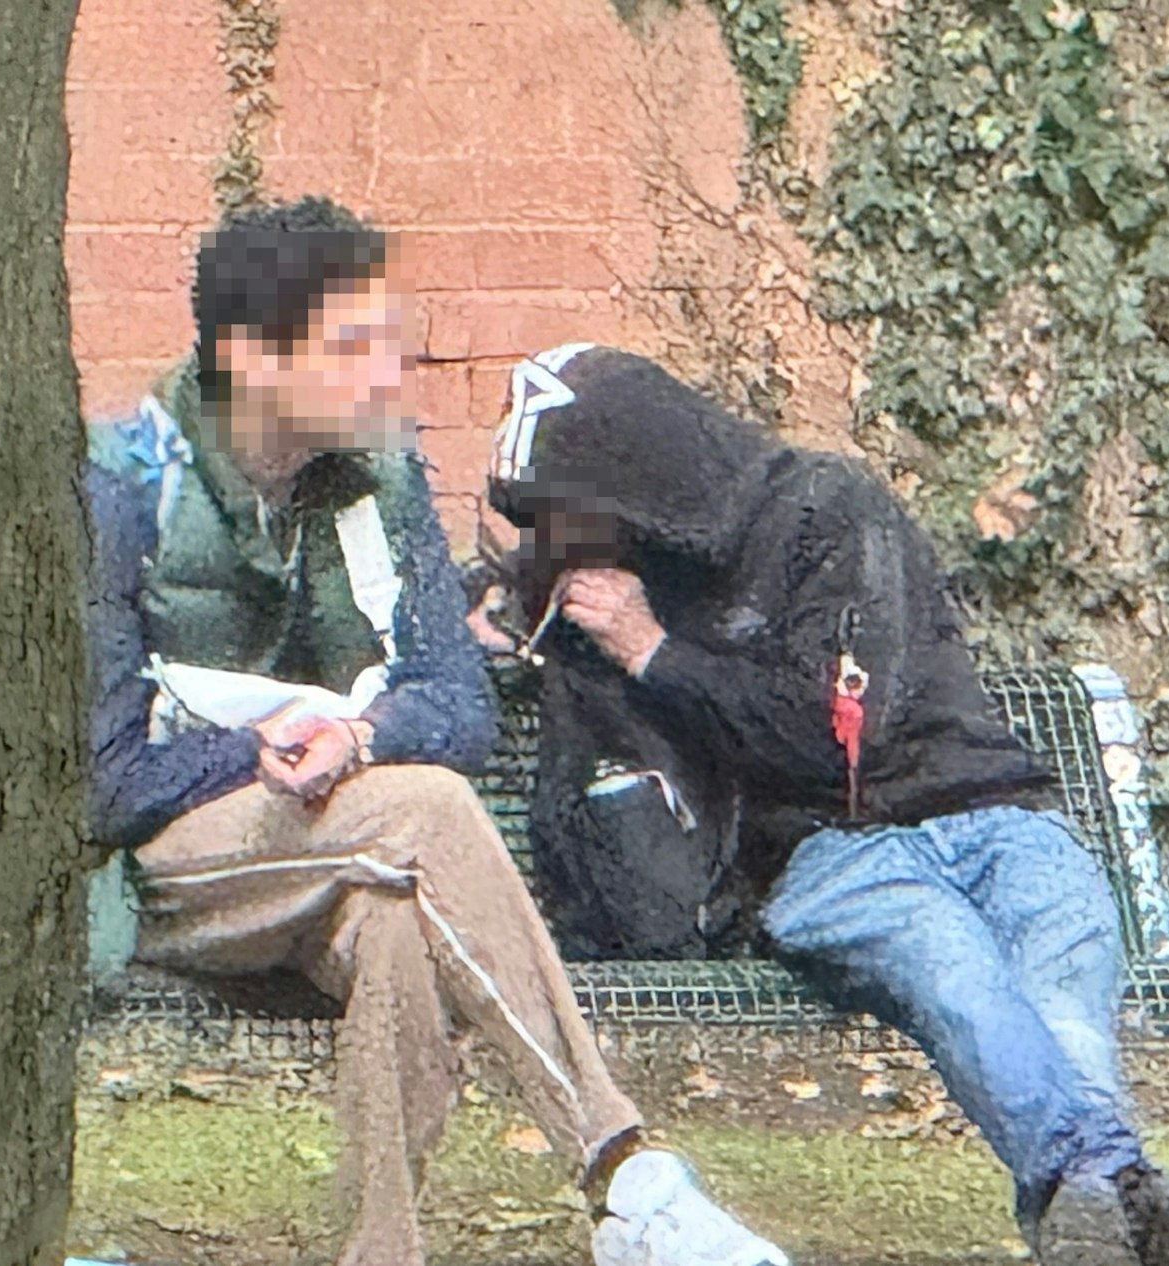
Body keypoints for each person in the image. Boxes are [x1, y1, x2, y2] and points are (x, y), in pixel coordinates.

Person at [78, 199, 788, 1266]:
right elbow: (100, 783)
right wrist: (257, 746)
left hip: (346, 849)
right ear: (245, 355)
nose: (385, 375)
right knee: (424, 812)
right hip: (165, 873)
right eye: (350, 346)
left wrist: (355, 739)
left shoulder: (382, 476)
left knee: (398, 921)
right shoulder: (121, 488)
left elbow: (453, 707)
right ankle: (621, 1170)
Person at [482, 344, 1169, 1266]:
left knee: (1060, 1001)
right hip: (834, 858)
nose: (568, 539)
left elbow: (835, 738)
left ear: (642, 479)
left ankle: (1096, 1200)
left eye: (573, 512)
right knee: (957, 975)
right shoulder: (601, 593)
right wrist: (539, 619)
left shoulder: (827, 513)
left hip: (1002, 814)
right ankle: (1129, 1191)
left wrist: (654, 650)